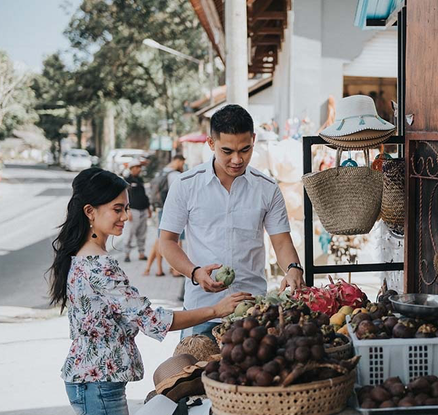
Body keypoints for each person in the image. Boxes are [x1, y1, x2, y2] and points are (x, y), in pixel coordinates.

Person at [48, 167, 251, 415]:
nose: (126, 217)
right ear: (90, 211)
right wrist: (215, 310)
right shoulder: (100, 265)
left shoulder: (78, 256)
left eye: (127, 208)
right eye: (117, 209)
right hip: (101, 385)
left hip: (84, 380)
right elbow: (152, 320)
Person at [159, 105, 305, 340]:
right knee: (193, 375)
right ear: (210, 143)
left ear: (254, 140)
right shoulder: (185, 185)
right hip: (201, 312)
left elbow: (281, 242)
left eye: (245, 150)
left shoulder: (267, 188)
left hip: (253, 311)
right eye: (227, 151)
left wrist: (293, 269)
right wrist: (195, 273)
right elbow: (167, 242)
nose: (237, 159)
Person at [143, 154, 186, 277]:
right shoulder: (174, 175)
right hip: (172, 211)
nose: (182, 166)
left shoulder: (162, 172)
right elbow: (179, 195)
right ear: (178, 161)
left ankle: (156, 268)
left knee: (160, 239)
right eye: (182, 163)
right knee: (173, 240)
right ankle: (175, 270)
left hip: (160, 208)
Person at [123, 159, 151, 262]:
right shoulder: (127, 181)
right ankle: (127, 253)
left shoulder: (140, 180)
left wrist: (148, 208)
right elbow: (125, 198)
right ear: (132, 168)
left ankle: (141, 253)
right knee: (130, 233)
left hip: (143, 209)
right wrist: (128, 211)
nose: (139, 169)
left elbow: (144, 195)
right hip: (133, 210)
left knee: (142, 233)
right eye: (137, 167)